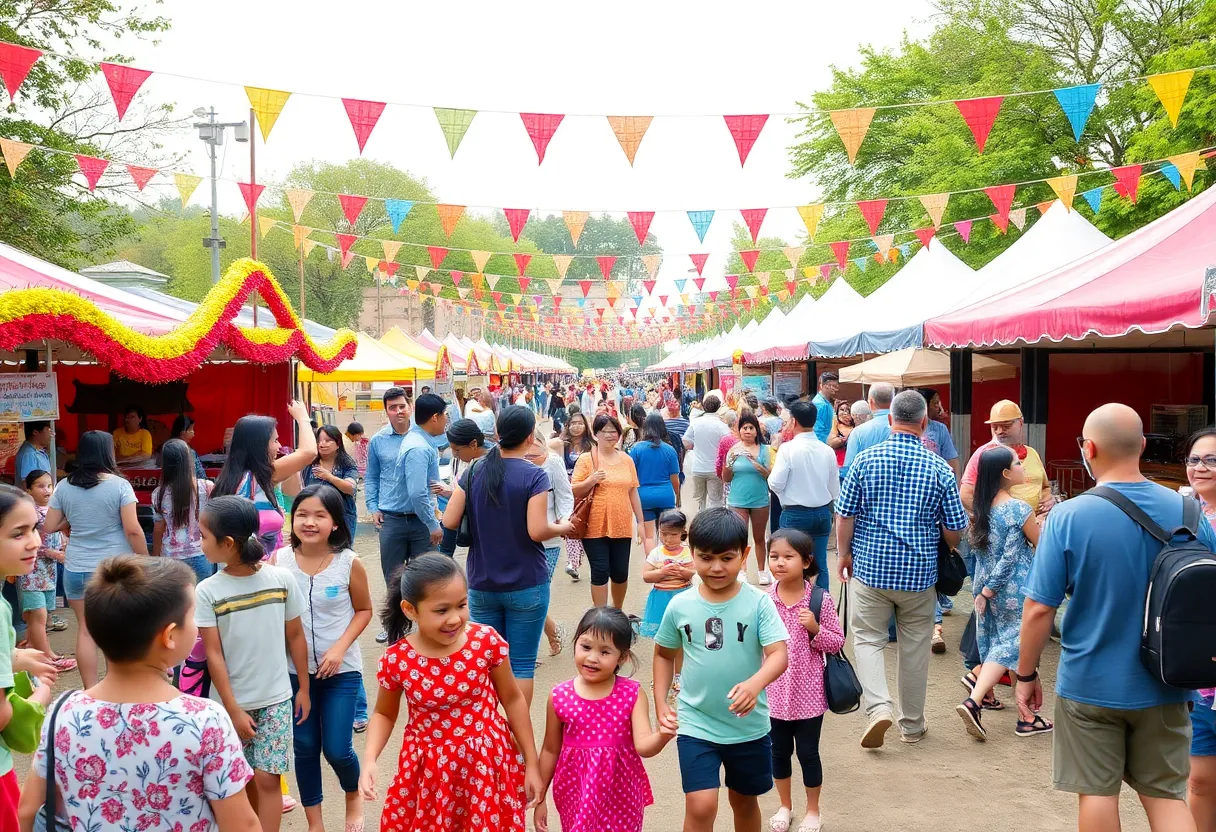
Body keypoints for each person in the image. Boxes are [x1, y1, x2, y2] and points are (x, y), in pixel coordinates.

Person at [1016, 404, 1215, 832]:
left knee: (1098, 795)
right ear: (1142, 445)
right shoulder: (1191, 514)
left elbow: (1038, 609)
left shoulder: (1068, 517)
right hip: (1167, 681)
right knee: (1166, 796)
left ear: (1088, 448)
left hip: (1090, 682)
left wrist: (1026, 675)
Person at [16, 555, 259, 832]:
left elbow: (27, 810)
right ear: (169, 636)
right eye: (192, 616)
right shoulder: (205, 721)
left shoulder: (64, 712)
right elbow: (242, 824)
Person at [358, 554, 542, 831]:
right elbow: (384, 713)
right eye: (441, 610)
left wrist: (531, 762)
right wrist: (370, 759)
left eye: (462, 605)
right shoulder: (398, 660)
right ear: (410, 609)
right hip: (430, 773)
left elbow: (513, 698)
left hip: (485, 764)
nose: (455, 619)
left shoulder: (485, 642)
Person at [835, 390, 968, 749]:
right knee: (914, 648)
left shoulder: (864, 461)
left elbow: (845, 515)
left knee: (866, 639)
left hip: (871, 569)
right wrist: (941, 542)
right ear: (925, 423)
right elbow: (956, 528)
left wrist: (844, 554)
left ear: (890, 420)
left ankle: (878, 707)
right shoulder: (939, 467)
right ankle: (912, 725)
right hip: (919, 575)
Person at [653, 508, 789, 832]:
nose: (716, 567)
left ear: (744, 556)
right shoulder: (680, 605)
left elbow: (778, 654)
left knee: (744, 801)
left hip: (748, 727)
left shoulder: (758, 602)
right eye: (706, 558)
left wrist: (755, 684)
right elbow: (662, 654)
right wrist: (660, 702)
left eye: (726, 558)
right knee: (701, 806)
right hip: (695, 722)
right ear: (692, 555)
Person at [195, 495, 311, 832]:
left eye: (203, 536)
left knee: (268, 780)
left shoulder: (281, 579)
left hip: (276, 699)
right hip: (230, 705)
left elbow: (296, 638)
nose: (198, 543)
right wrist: (232, 709)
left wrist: (303, 687)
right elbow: (213, 654)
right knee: (241, 780)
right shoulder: (207, 591)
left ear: (227, 543)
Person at [442, 406, 571, 703]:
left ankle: (494, 735)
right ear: (530, 437)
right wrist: (563, 526)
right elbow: (537, 530)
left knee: (491, 663)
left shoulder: (474, 470)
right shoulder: (534, 475)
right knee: (522, 665)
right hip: (527, 581)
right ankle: (518, 739)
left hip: (482, 582)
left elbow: (449, 522)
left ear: (498, 434)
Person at [272, 485, 371, 832]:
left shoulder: (348, 562)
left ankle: (352, 796)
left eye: (319, 515)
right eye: (302, 514)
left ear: (335, 523)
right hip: (294, 674)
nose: (309, 522)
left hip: (341, 673)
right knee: (304, 746)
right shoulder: (279, 561)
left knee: (337, 750)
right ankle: (316, 824)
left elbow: (364, 609)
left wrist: (340, 646)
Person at [534, 606, 674, 832]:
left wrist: (662, 735)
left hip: (622, 796)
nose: (592, 658)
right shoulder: (560, 696)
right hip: (575, 794)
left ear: (623, 656)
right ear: (576, 642)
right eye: (586, 646)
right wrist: (540, 799)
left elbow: (644, 746)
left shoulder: (632, 694)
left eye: (605, 652)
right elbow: (550, 750)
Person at [955, 446, 1046, 741]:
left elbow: (982, 555)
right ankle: (975, 699)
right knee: (1012, 645)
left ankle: (1027, 717)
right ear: (1006, 474)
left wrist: (984, 590)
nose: (1023, 467)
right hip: (1015, 588)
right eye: (1018, 463)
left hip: (985, 588)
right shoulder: (1018, 510)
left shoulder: (982, 510)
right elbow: (1024, 552)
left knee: (1005, 644)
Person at [44, 429, 147, 687]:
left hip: (76, 568)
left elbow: (49, 525)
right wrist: (146, 558)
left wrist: (73, 520)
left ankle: (90, 691)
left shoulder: (64, 486)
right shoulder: (119, 485)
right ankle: (119, 685)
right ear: (107, 452)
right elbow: (133, 529)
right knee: (118, 629)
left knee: (87, 631)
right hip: (113, 569)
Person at [766, 529, 845, 832]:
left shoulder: (819, 599)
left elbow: (837, 642)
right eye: (774, 557)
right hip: (774, 694)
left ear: (807, 561)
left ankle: (813, 810)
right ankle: (785, 805)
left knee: (808, 753)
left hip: (810, 694)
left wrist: (815, 629)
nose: (780, 563)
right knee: (778, 752)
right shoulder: (765, 600)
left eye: (788, 557)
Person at [212, 400, 318, 556]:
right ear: (258, 445)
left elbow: (293, 493)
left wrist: (292, 464)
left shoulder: (230, 480)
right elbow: (309, 453)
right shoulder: (260, 476)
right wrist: (302, 417)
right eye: (275, 440)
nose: (279, 446)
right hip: (257, 569)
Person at [572, 414, 648, 610]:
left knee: (621, 572)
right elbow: (574, 489)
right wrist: (592, 480)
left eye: (613, 431)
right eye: (603, 431)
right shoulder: (586, 459)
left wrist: (640, 522)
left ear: (619, 434)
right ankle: (600, 615)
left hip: (622, 524)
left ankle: (617, 610)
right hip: (594, 525)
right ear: (595, 434)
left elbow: (633, 492)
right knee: (600, 570)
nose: (609, 435)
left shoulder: (626, 460)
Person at [378, 393, 449, 593]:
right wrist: (432, 523)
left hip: (416, 518)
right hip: (406, 521)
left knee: (419, 583)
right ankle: (398, 624)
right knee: (416, 584)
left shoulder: (419, 440)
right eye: (445, 415)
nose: (446, 421)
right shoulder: (419, 447)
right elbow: (418, 493)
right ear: (435, 417)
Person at [770, 400, 841, 593]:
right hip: (821, 513)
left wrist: (784, 493)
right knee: (820, 564)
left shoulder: (788, 449)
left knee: (792, 563)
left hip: (794, 514)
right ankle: (821, 607)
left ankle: (794, 605)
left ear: (793, 422)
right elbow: (835, 489)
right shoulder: (827, 450)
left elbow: (775, 482)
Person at [1184, 428, 1216, 832]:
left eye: (1210, 460)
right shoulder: (1181, 515)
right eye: (1194, 459)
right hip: (1196, 668)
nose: (1199, 468)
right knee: (1199, 778)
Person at [524, 428, 575, 660]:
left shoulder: (553, 463)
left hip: (549, 537)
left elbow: (565, 496)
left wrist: (564, 520)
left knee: (536, 591)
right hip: (518, 537)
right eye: (527, 455)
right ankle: (552, 630)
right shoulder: (511, 461)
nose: (530, 459)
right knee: (525, 592)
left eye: (535, 455)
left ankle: (530, 650)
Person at [18, 471, 73, 671]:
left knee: (40, 615)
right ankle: (47, 657)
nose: (47, 490)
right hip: (32, 572)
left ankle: (33, 648)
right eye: (40, 486)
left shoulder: (50, 510)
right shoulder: (30, 512)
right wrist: (54, 553)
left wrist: (64, 545)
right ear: (29, 489)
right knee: (38, 615)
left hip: (48, 573)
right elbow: (30, 543)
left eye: (49, 485)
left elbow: (59, 535)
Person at [960, 399, 1050, 514]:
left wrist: (1048, 498)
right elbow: (965, 495)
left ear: (1021, 423)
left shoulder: (1032, 453)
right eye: (994, 427)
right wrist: (993, 520)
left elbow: (1045, 487)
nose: (999, 431)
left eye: (1005, 426)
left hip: (1035, 524)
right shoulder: (985, 454)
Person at [152, 438, 216, 585]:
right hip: (202, 553)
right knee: (202, 601)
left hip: (171, 557)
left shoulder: (159, 493)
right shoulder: (207, 487)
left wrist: (155, 557)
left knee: (176, 604)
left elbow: (158, 528)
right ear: (189, 459)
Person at [724, 410, 774, 584]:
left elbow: (768, 474)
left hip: (760, 499)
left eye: (751, 427)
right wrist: (730, 462)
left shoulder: (763, 450)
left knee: (759, 538)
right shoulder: (733, 450)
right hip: (737, 499)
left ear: (756, 431)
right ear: (739, 430)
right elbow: (726, 478)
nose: (747, 431)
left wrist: (753, 459)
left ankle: (762, 570)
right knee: (740, 537)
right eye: (744, 427)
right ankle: (742, 570)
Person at [639, 509, 694, 643]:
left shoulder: (687, 552)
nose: (668, 539)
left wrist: (682, 571)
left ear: (683, 532)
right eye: (664, 534)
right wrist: (661, 573)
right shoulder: (656, 553)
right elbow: (646, 576)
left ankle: (680, 662)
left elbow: (695, 572)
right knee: (662, 635)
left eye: (673, 534)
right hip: (661, 597)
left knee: (682, 635)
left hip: (683, 595)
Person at [552, 413, 594, 582]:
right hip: (567, 491)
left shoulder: (591, 446)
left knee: (582, 526)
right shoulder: (563, 445)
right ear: (567, 426)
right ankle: (572, 563)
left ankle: (576, 560)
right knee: (571, 526)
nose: (577, 426)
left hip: (587, 490)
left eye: (580, 423)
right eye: (573, 423)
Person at [629, 413, 681, 547]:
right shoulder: (669, 450)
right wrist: (678, 496)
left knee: (649, 537)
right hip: (666, 496)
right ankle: (667, 561)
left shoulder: (636, 449)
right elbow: (675, 478)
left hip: (643, 497)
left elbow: (631, 475)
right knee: (668, 533)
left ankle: (653, 565)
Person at [302, 424, 359, 541]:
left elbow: (350, 488)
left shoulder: (346, 464)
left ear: (338, 443)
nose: (322, 444)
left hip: (342, 516)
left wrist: (328, 476)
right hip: (314, 517)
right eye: (319, 441)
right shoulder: (309, 463)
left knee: (341, 553)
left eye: (328, 440)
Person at [683, 396, 731, 511]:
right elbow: (728, 445)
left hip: (697, 468)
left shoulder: (696, 423)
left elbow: (686, 442)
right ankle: (713, 527)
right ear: (719, 407)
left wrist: (696, 445)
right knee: (715, 502)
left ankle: (699, 525)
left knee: (698, 501)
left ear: (703, 406)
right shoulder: (722, 426)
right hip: (715, 470)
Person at [840, 382, 894, 479]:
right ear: (893, 401)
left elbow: (848, 470)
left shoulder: (858, 432)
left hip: (867, 490)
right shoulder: (906, 428)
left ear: (871, 402)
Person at [916, 388, 960, 477]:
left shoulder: (940, 429)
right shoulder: (906, 427)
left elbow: (951, 461)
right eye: (935, 403)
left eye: (939, 403)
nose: (938, 407)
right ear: (924, 405)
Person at [169, 414, 208, 479]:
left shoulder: (167, 449)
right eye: (191, 430)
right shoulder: (191, 452)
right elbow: (201, 476)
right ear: (182, 432)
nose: (193, 433)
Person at [809, 373, 838, 443]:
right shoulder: (820, 404)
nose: (835, 389)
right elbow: (818, 431)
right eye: (832, 386)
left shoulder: (825, 403)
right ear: (822, 386)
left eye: (836, 386)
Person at [827, 401, 855, 467]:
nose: (845, 412)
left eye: (847, 410)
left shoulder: (855, 425)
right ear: (837, 412)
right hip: (840, 462)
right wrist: (843, 440)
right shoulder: (835, 425)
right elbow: (831, 443)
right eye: (841, 410)